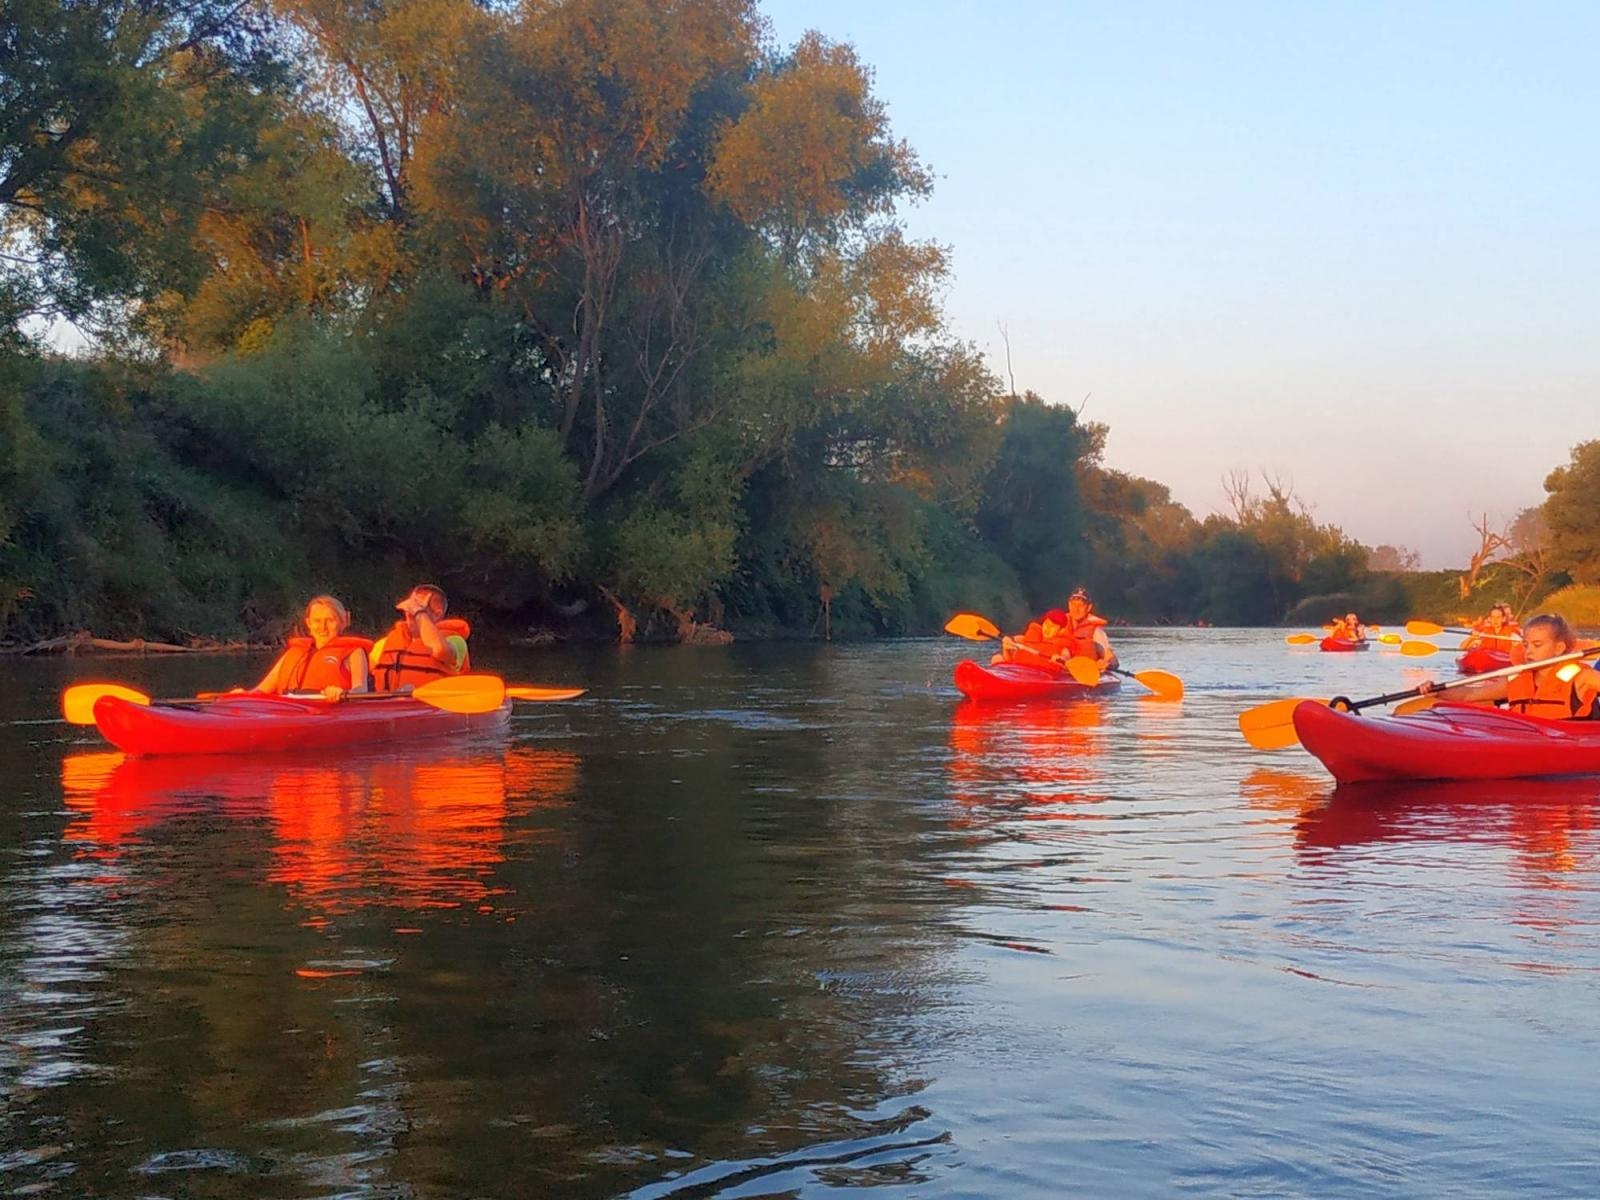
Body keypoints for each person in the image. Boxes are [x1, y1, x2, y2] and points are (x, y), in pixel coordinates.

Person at [1419, 613, 1600, 719]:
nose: (1529, 651)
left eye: (1537, 645)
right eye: (1526, 645)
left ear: (1559, 648)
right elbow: (1471, 694)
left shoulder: (1581, 677)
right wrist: (1437, 691)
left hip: (1572, 741)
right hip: (1527, 739)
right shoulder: (1517, 678)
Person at [250, 595, 371, 701]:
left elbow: (360, 690)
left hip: (329, 712)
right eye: (317, 621)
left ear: (342, 622)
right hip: (290, 711)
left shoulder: (354, 653)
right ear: (309, 623)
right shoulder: (294, 652)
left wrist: (342, 693)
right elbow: (261, 690)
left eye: (330, 620)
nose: (323, 627)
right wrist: (241, 696)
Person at [370, 583, 472, 692]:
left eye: (418, 605)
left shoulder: (455, 641)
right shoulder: (384, 644)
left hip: (432, 706)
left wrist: (419, 612)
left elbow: (440, 651)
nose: (410, 611)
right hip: (390, 706)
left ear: (437, 615)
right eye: (411, 605)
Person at [1006, 587, 1118, 671]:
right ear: (1068, 604)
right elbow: (1030, 639)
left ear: (1088, 608)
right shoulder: (1058, 622)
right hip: (1052, 666)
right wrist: (1010, 640)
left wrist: (1108, 664)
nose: (1076, 609)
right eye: (1073, 604)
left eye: (1081, 605)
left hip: (1079, 669)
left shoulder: (1096, 632)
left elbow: (1109, 655)